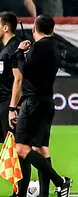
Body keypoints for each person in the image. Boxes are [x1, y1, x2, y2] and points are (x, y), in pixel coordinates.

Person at [12, 15, 70, 197]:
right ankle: (44, 194)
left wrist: (20, 53)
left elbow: (25, 71)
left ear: (35, 29)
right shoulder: (55, 47)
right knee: (41, 148)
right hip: (47, 101)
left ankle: (60, 181)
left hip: (33, 102)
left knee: (21, 148)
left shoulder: (38, 47)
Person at [0, 13, 27, 195]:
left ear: (5, 27)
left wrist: (12, 108)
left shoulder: (13, 49)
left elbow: (19, 80)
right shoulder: (4, 49)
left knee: (18, 150)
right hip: (2, 103)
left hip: (8, 105)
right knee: (9, 148)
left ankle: (21, 192)